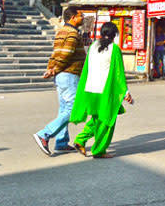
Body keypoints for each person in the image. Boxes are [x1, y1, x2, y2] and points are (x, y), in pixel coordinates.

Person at [70, 22, 133, 158]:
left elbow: (86, 68)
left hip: (90, 89)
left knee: (97, 118)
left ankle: (80, 140)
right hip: (104, 91)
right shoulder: (114, 49)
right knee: (107, 120)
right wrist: (125, 92)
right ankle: (99, 150)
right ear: (114, 35)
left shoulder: (93, 46)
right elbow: (118, 73)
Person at [33, 9, 86, 155]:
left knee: (64, 109)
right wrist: (54, 70)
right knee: (72, 108)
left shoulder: (62, 31)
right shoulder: (72, 33)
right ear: (74, 17)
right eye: (81, 16)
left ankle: (62, 142)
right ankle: (44, 134)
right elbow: (65, 55)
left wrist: (51, 69)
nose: (83, 18)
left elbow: (56, 53)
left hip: (62, 75)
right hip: (69, 74)